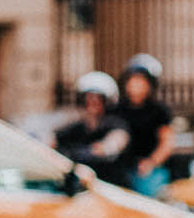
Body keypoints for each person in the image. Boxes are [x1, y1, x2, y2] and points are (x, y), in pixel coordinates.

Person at [53, 71, 132, 185]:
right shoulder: (77, 127)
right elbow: (54, 140)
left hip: (111, 187)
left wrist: (103, 148)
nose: (92, 102)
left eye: (98, 99)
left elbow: (115, 142)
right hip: (81, 188)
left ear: (107, 102)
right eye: (88, 98)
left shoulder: (116, 125)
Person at [119, 53, 177, 194]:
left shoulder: (159, 111)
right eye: (132, 79)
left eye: (141, 80)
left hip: (148, 171)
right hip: (122, 167)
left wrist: (151, 162)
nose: (135, 84)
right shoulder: (118, 109)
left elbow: (167, 143)